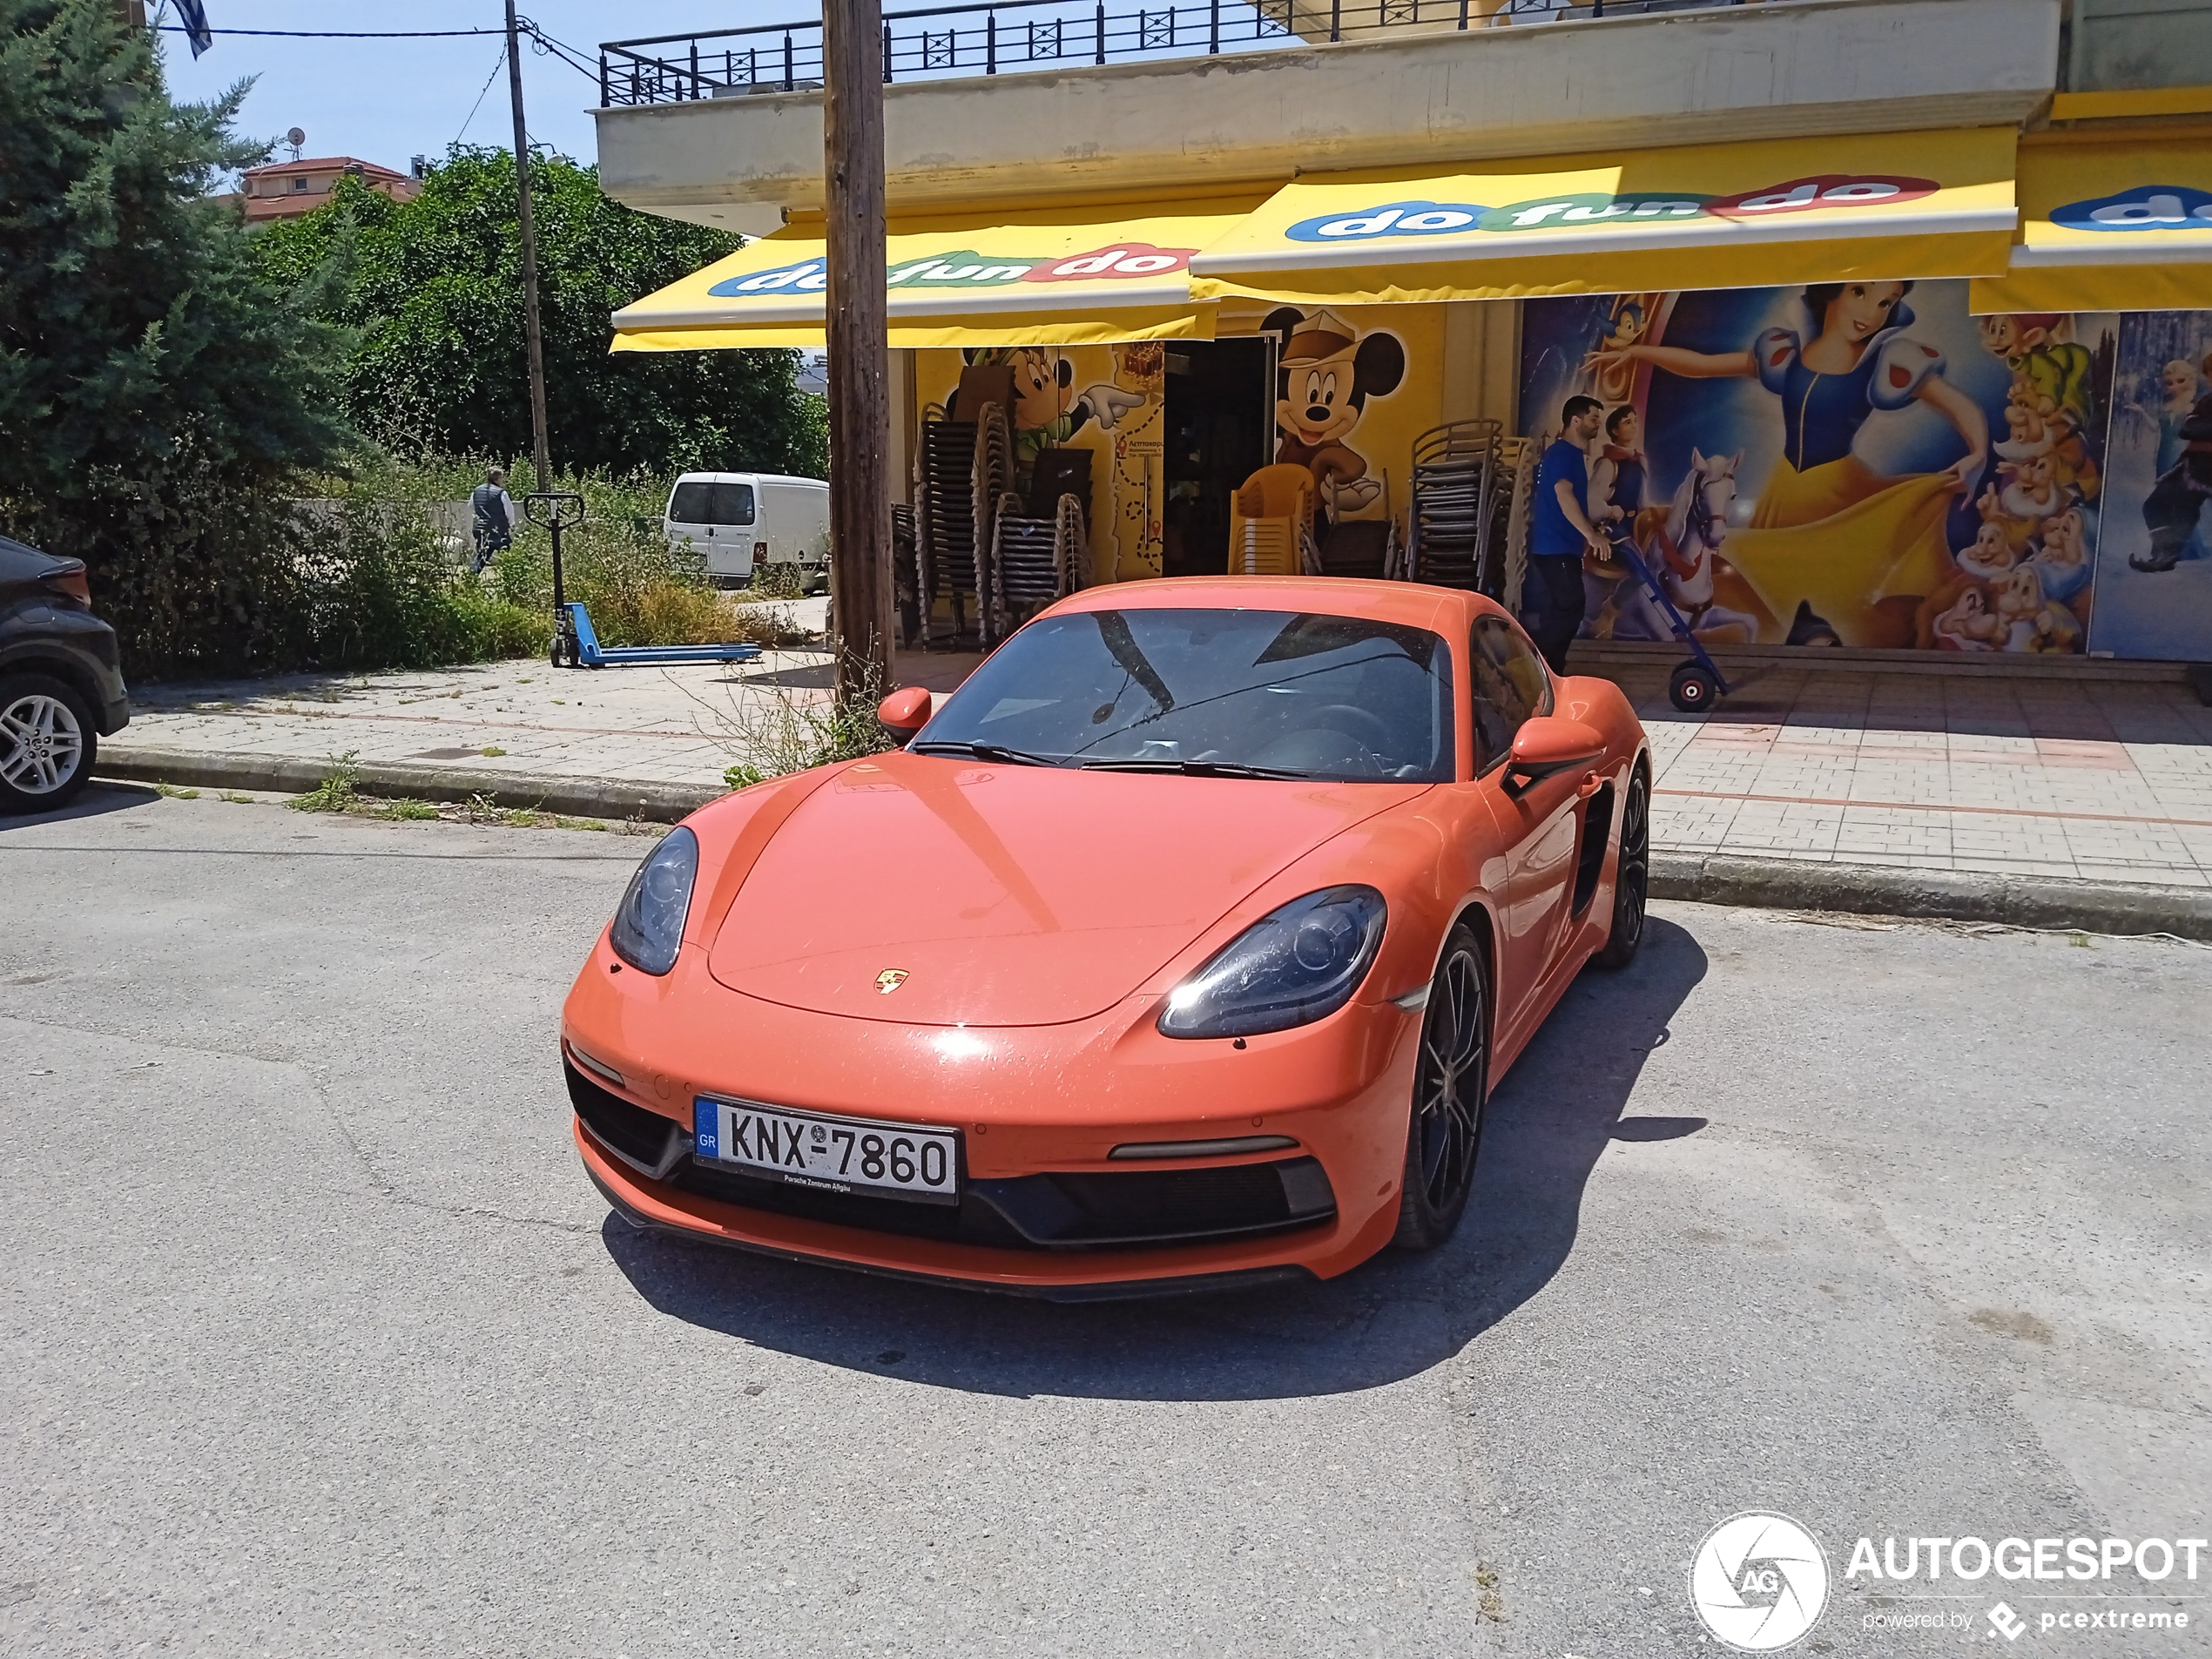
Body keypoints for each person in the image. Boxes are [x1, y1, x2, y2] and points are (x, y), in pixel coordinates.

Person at [1586, 281, 1988, 649]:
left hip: (1835, 494)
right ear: (1833, 293)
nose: (1873, 311)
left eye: (1887, 302)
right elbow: (1702, 364)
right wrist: (1637, 352)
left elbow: (1958, 405)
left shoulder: (1886, 364)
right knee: (1759, 577)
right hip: (1784, 489)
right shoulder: (1785, 355)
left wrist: (1978, 451)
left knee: (1796, 576)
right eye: (1861, 293)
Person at [1522, 395, 1611, 673]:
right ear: (1576, 420)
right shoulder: (1563, 453)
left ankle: (1550, 672)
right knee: (1570, 606)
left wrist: (1588, 533)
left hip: (1559, 548)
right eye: (1594, 418)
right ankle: (1540, 669)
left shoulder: (1568, 455)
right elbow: (1563, 493)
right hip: (1555, 548)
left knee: (1556, 611)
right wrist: (1591, 535)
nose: (1599, 424)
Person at [2138, 352, 2212, 573]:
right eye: (2211, 374)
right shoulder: (2207, 400)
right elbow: (2188, 428)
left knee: (2183, 505)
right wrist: (2196, 428)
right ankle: (2165, 553)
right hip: (2190, 461)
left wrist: (2197, 428)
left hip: (2206, 467)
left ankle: (2169, 554)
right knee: (2154, 504)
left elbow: (2197, 427)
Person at [470, 467, 518, 573]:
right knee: (506, 551)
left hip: (479, 528)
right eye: (502, 478)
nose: (503, 480)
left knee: (484, 554)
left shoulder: (476, 491)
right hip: (497, 528)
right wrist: (511, 524)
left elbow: (472, 506)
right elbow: (509, 511)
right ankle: (511, 575)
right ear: (498, 479)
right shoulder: (501, 493)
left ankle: (471, 576)